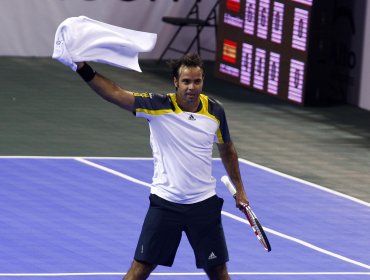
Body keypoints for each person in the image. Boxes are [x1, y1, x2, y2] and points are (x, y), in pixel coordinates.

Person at [75, 53, 249, 280]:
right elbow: (115, 94)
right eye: (186, 81)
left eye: (197, 81)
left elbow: (227, 149)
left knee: (218, 272)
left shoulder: (215, 111)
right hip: (166, 204)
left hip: (203, 205)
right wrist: (81, 67)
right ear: (175, 82)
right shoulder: (157, 106)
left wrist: (240, 189)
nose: (192, 87)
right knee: (140, 268)